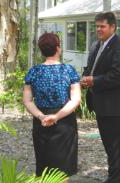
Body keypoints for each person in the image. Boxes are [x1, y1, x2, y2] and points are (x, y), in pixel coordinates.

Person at [81, 12, 120, 183]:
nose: (98, 30)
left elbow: (118, 75)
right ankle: (113, 177)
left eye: (102, 26)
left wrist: (94, 80)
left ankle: (116, 180)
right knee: (109, 146)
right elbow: (91, 68)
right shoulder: (96, 45)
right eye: (97, 26)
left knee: (116, 147)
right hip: (100, 104)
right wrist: (83, 79)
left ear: (113, 27)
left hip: (114, 106)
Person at [23, 33, 81, 177]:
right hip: (65, 122)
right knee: (63, 169)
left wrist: (42, 116)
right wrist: (56, 116)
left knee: (44, 166)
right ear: (58, 48)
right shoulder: (69, 71)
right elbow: (75, 100)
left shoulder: (33, 72)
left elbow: (28, 101)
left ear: (41, 51)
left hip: (41, 122)